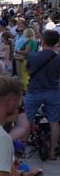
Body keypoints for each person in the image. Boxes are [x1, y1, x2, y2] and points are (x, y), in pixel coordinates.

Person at [24, 30, 60, 159]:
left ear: (43, 41)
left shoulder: (33, 56)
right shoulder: (58, 58)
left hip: (35, 91)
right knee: (54, 122)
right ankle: (51, 152)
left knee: (27, 119)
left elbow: (27, 71)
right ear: (56, 42)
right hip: (53, 92)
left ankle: (22, 149)